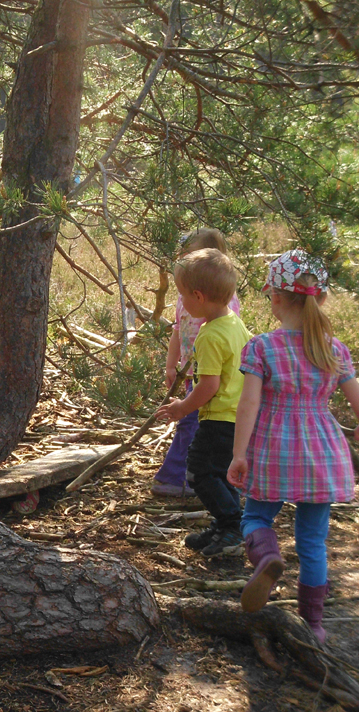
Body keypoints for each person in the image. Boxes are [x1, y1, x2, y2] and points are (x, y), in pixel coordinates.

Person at [228, 251, 359, 643]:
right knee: (313, 542)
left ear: (276, 298)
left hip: (274, 450)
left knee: (255, 517)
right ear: (321, 298)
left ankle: (267, 556)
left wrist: (238, 454)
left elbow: (249, 403)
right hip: (323, 452)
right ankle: (313, 624)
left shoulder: (262, 347)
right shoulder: (335, 349)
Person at [157, 248, 251, 558]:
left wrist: (182, 408)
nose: (181, 301)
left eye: (182, 294)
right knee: (220, 473)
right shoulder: (234, 323)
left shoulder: (209, 335)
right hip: (237, 417)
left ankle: (232, 525)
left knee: (199, 472)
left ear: (198, 296)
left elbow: (209, 385)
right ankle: (226, 524)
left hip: (219, 418)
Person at [153, 228, 242, 497]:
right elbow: (178, 331)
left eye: (188, 255)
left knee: (192, 423)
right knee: (194, 425)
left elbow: (226, 344)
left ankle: (178, 478)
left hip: (210, 377)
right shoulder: (186, 298)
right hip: (193, 373)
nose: (183, 259)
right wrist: (172, 365)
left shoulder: (222, 307)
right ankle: (194, 477)